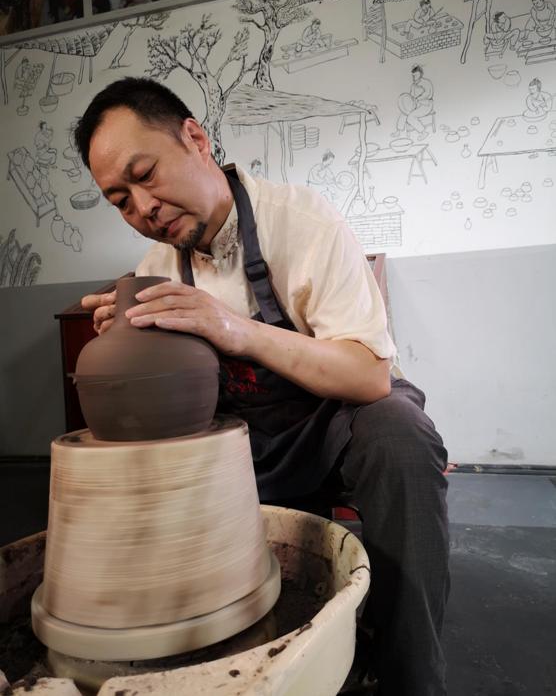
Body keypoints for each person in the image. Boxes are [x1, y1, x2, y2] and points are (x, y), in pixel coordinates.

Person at [75, 77, 450, 696]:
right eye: (120, 200)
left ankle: (409, 673)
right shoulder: (156, 271)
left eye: (146, 175)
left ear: (195, 139)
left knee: (401, 436)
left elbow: (367, 374)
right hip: (251, 443)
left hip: (338, 426)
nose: (143, 207)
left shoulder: (303, 221)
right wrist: (131, 345)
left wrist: (233, 328)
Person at [393, 64, 434, 141]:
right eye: (413, 75)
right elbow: (411, 96)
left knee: (410, 117)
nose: (414, 77)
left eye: (415, 75)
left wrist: (418, 99)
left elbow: (428, 94)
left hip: (426, 105)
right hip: (416, 105)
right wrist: (408, 101)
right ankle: (399, 131)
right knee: (404, 113)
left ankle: (423, 132)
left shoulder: (426, 82)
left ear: (420, 74)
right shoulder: (413, 85)